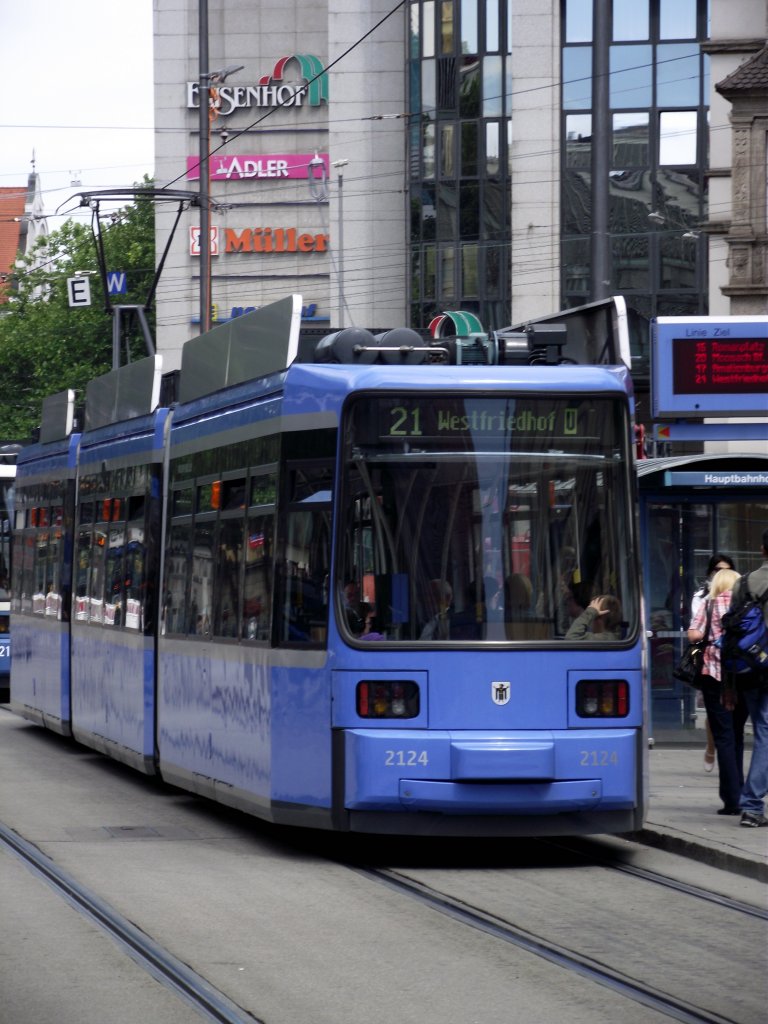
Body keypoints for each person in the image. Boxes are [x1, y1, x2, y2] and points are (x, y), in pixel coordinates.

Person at [688, 567, 749, 816]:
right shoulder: (747, 606)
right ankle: (743, 794)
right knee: (737, 735)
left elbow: (694, 634)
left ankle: (731, 800)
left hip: (714, 675)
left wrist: (707, 638)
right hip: (742, 675)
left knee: (723, 736)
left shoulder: (709, 604)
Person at [730, 529, 768, 828]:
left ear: (762, 549)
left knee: (762, 732)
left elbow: (731, 635)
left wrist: (728, 684)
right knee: (766, 736)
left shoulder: (742, 583)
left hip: (747, 671)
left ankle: (752, 803)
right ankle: (753, 805)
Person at [691, 554, 736, 773]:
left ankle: (731, 779)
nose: (720, 573)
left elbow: (695, 633)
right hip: (713, 666)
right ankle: (712, 748)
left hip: (732, 668)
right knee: (717, 718)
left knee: (726, 724)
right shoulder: (702, 599)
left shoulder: (741, 602)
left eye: (725, 570)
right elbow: (696, 630)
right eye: (717, 569)